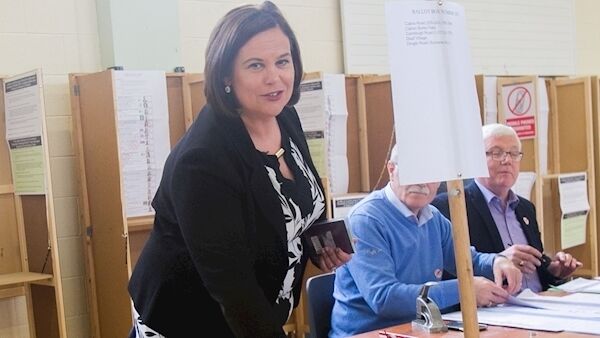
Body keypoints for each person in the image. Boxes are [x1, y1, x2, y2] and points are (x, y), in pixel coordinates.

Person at [127, 2, 351, 337]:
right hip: (191, 321)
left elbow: (296, 203)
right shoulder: (203, 160)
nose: (274, 77)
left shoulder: (285, 117)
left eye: (283, 61)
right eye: (256, 65)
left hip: (256, 316)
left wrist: (320, 243)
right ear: (227, 76)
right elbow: (233, 288)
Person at [329, 144, 522, 338]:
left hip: (421, 330)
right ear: (391, 170)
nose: (421, 182)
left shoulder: (434, 218)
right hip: (368, 333)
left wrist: (497, 262)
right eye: (412, 172)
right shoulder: (366, 220)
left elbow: (468, 262)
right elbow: (385, 298)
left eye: (429, 174)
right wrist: (465, 288)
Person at [432, 123, 581, 292]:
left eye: (514, 154)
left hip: (540, 303)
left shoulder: (525, 208)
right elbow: (446, 271)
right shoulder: (451, 206)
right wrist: (498, 261)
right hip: (494, 310)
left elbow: (535, 269)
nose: (507, 160)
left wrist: (554, 271)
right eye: (497, 153)